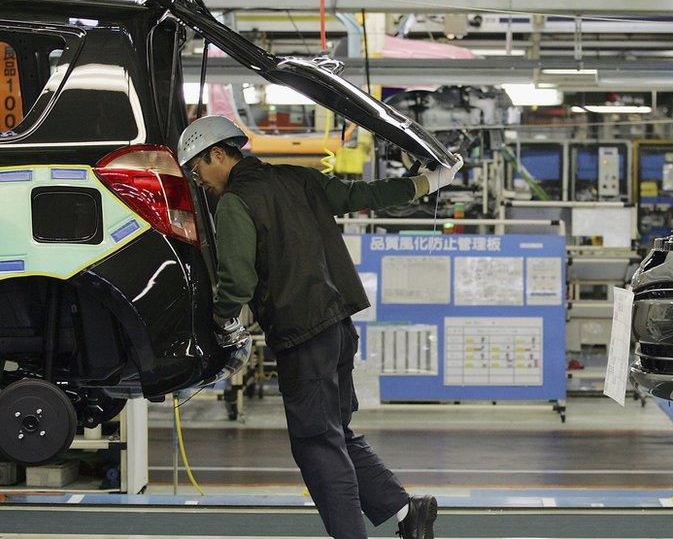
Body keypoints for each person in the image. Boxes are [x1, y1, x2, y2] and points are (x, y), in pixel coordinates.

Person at [177, 115, 461, 539]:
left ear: (218, 153)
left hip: (301, 332)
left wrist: (221, 319)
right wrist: (426, 183)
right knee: (336, 431)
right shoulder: (298, 178)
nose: (199, 180)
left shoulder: (235, 201)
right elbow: (360, 195)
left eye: (198, 169)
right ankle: (407, 513)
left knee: (316, 442)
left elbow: (238, 279)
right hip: (339, 327)